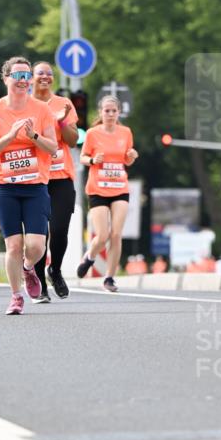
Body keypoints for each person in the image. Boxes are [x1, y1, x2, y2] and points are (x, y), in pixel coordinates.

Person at [0, 57, 58, 315]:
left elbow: (53, 147)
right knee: (13, 245)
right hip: (4, 186)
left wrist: (33, 135)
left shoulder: (42, 109)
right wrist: (11, 135)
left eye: (27, 76)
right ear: (6, 78)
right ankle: (15, 297)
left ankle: (28, 268)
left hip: (35, 185)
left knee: (36, 246)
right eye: (18, 75)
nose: (24, 81)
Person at [77, 95, 138, 292]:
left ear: (119, 113)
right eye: (107, 111)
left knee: (116, 234)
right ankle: (90, 256)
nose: (110, 114)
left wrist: (131, 157)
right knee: (102, 235)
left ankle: (109, 277)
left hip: (119, 187)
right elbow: (83, 158)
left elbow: (127, 160)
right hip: (98, 188)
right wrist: (94, 160)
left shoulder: (126, 132)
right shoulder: (93, 134)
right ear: (101, 113)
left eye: (114, 111)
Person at [31, 61, 78, 302]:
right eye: (41, 73)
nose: (45, 77)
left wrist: (61, 121)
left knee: (59, 229)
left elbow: (72, 140)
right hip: (34, 177)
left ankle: (55, 270)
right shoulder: (23, 105)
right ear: (31, 78)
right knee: (39, 234)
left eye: (49, 74)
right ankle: (39, 282)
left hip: (61, 177)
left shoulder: (63, 104)